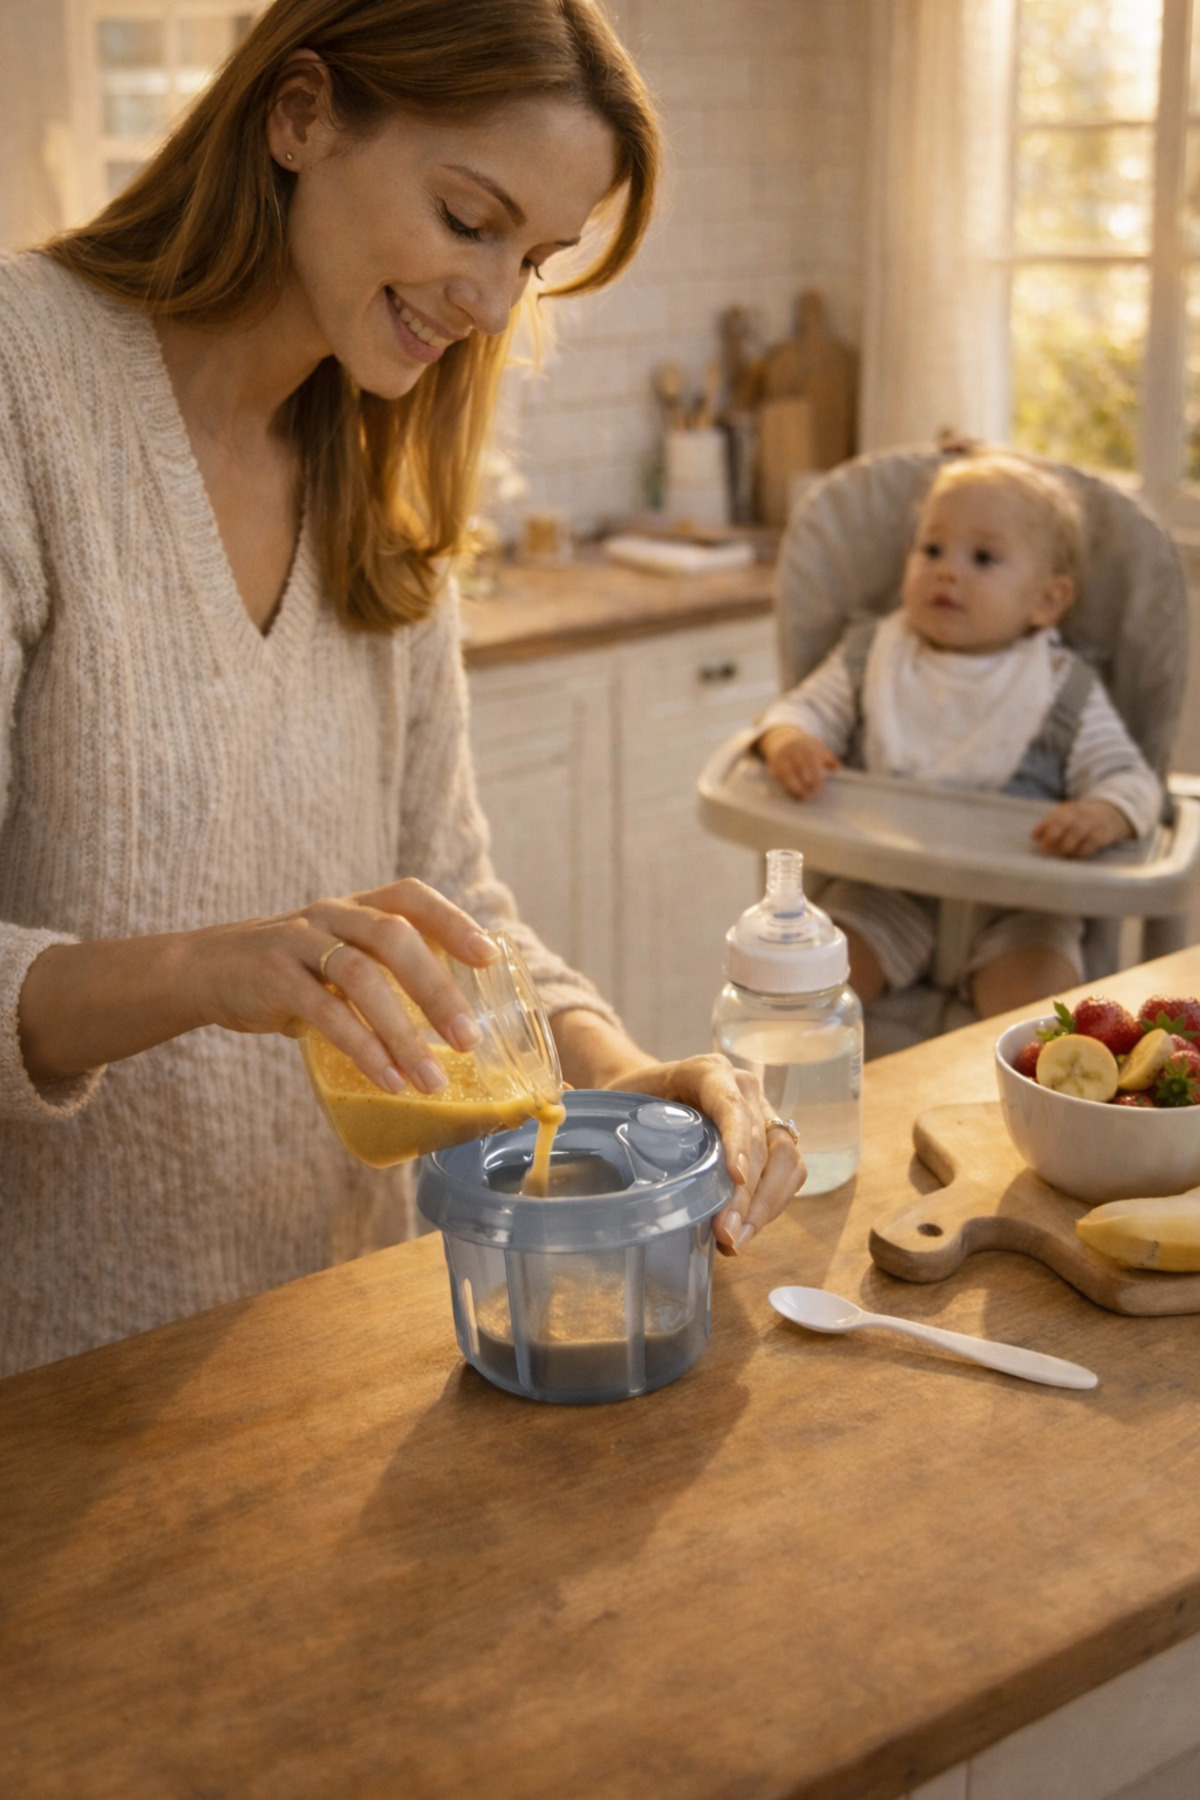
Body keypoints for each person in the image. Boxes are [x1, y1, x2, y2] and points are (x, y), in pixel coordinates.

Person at [0, 0, 802, 1377]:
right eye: (467, 218)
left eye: (535, 258)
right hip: (52, 1388)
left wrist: (615, 1067)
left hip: (337, 1338)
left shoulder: (383, 474)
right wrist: (203, 970)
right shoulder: (24, 389)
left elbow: (458, 910)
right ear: (301, 114)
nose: (493, 305)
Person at [755, 449, 1163, 1019]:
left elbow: (1130, 777)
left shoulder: (1062, 686)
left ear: (1047, 599)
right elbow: (800, 711)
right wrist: (788, 741)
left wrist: (1105, 812)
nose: (948, 570)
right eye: (932, 550)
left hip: (1022, 907)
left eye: (984, 558)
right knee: (803, 984)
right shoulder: (871, 655)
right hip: (884, 887)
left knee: (1044, 1023)